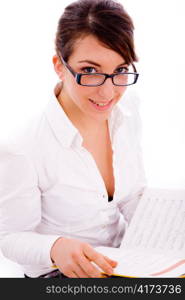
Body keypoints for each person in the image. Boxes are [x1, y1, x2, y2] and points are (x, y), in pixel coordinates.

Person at [0, 0, 146, 278]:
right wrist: (55, 247)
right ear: (59, 65)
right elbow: (9, 237)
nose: (107, 93)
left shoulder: (127, 111)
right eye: (90, 71)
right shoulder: (22, 146)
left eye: (120, 71)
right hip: (59, 276)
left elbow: (132, 195)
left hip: (124, 263)